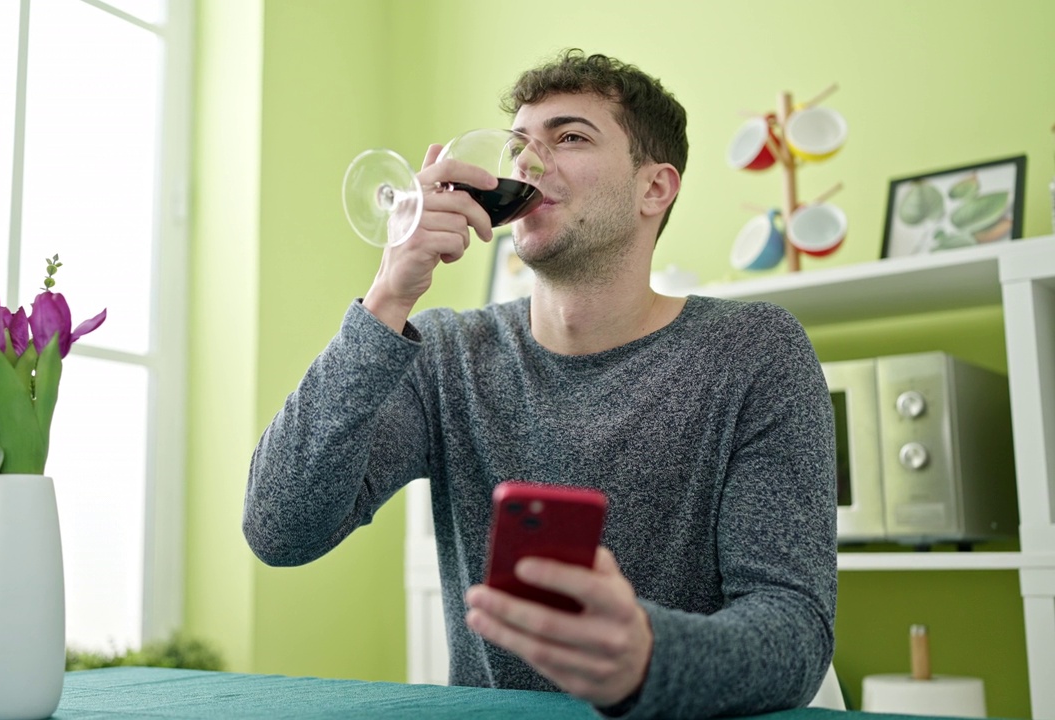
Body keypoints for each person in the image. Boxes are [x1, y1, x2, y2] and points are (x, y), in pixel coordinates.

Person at [244, 49, 836, 718]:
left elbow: (794, 629)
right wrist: (386, 298)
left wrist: (645, 656)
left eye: (570, 137)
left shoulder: (754, 351)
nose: (526, 163)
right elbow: (279, 529)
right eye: (521, 145)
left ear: (655, 189)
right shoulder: (447, 354)